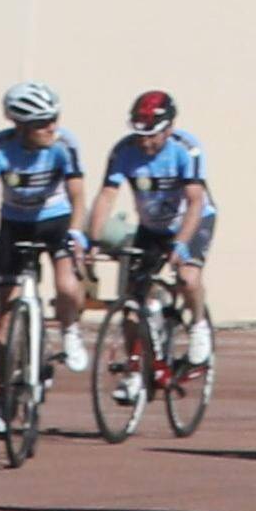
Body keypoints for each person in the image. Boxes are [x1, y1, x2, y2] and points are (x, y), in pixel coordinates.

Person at [0, 81, 89, 437]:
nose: (51, 127)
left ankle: (69, 330)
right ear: (20, 126)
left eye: (54, 119)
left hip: (55, 220)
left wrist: (77, 231)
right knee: (5, 318)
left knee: (67, 286)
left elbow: (78, 195)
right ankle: (1, 404)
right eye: (41, 123)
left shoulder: (65, 144)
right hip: (15, 225)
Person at [85, 90, 219, 397]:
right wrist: (94, 240)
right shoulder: (123, 151)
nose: (145, 143)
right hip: (152, 228)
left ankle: (198, 326)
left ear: (169, 129)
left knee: (187, 277)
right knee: (133, 304)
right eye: (140, 136)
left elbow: (195, 201)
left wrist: (181, 244)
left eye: (152, 136)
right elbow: (107, 196)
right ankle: (134, 372)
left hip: (192, 220)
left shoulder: (186, 149)